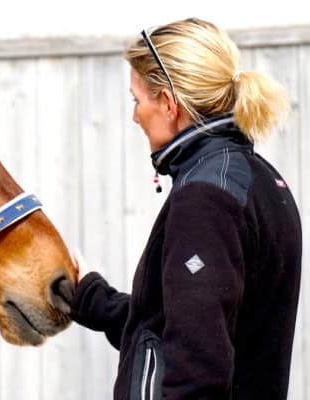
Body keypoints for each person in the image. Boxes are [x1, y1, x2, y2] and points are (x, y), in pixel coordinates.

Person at [70, 18, 301, 400]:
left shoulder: (206, 200)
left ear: (168, 103)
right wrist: (95, 300)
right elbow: (185, 325)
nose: (134, 116)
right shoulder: (258, 179)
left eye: (137, 100)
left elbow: (199, 372)